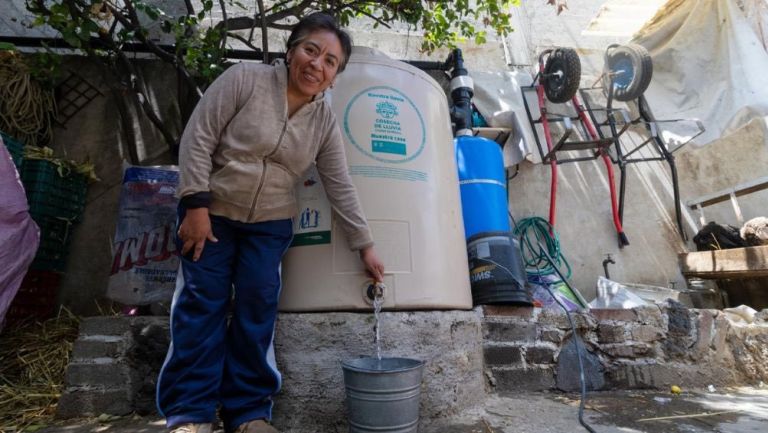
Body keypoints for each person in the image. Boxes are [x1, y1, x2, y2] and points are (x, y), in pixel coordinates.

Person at [156, 13, 385, 433]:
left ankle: (248, 414)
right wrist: (194, 205)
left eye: (331, 61)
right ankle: (190, 413)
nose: (317, 64)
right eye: (310, 50)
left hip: (270, 225)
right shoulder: (245, 79)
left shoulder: (322, 121)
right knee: (200, 306)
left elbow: (339, 184)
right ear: (291, 50)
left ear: (335, 76)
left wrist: (364, 244)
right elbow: (198, 136)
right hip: (211, 214)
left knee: (257, 309)